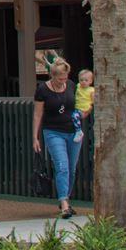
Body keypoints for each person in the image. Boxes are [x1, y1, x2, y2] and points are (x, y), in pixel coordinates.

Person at [31, 53, 84, 219]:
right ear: (52, 75)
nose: (63, 80)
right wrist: (35, 137)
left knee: (72, 168)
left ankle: (65, 197)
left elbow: (78, 106)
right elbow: (38, 114)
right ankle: (65, 205)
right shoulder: (42, 90)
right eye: (60, 78)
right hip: (53, 131)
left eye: (65, 77)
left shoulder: (71, 85)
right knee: (62, 166)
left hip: (73, 131)